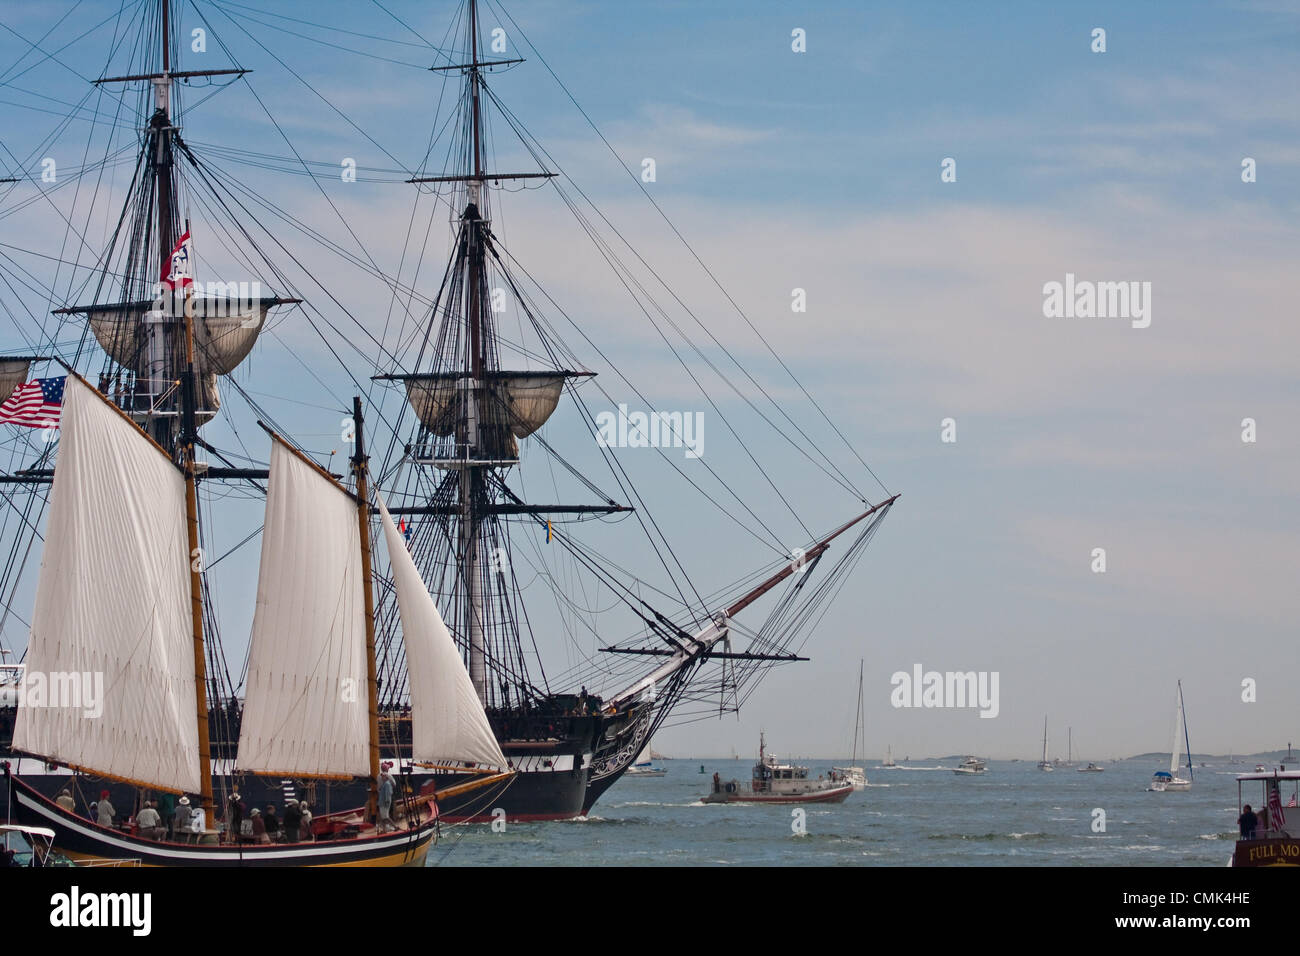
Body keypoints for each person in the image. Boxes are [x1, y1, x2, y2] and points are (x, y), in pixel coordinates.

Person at [377, 761, 396, 832]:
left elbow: (378, 787)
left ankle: (384, 827)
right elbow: (394, 784)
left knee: (384, 815)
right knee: (386, 815)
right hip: (385, 799)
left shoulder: (378, 776)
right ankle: (387, 827)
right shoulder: (388, 779)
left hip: (382, 798)